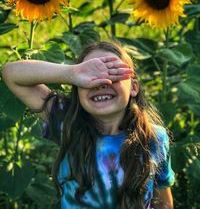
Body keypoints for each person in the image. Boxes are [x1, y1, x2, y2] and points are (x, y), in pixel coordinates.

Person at [1, 41, 175, 209]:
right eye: (90, 77)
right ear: (77, 87)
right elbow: (11, 73)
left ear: (133, 87)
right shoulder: (67, 123)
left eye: (112, 74)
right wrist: (72, 73)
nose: (101, 83)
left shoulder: (153, 137)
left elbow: (163, 202)